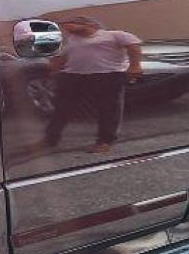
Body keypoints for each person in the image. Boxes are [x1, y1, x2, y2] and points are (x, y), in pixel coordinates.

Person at [42, 15, 142, 154]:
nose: (65, 27)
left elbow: (133, 46)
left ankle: (105, 141)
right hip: (73, 76)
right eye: (64, 25)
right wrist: (54, 70)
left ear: (88, 24)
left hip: (107, 75)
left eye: (70, 23)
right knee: (61, 108)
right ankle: (50, 139)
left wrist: (135, 66)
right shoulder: (72, 40)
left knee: (108, 109)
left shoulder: (113, 35)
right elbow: (64, 57)